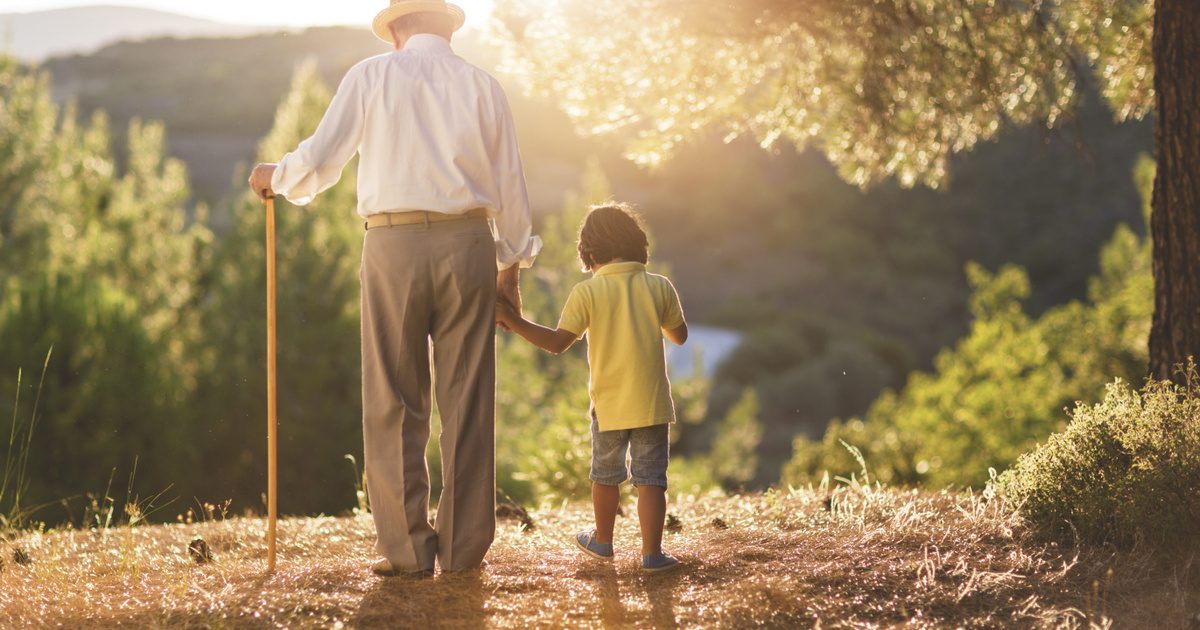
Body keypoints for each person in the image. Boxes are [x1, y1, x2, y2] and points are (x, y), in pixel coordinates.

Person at [247, 0, 541, 577]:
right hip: (469, 244)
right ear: (447, 25)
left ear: (398, 26)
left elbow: (323, 156)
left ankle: (407, 551)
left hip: (392, 244)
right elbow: (511, 184)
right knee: (468, 400)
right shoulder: (485, 86)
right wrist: (510, 268)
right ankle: (461, 553)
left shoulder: (371, 75)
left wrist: (274, 177)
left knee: (393, 397)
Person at [495, 203, 687, 572]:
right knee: (651, 479)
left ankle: (602, 541)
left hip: (610, 405)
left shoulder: (587, 292)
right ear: (638, 246)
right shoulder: (659, 286)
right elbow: (679, 336)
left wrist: (512, 320)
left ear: (590, 253)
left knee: (605, 475)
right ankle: (652, 555)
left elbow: (555, 344)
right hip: (651, 404)